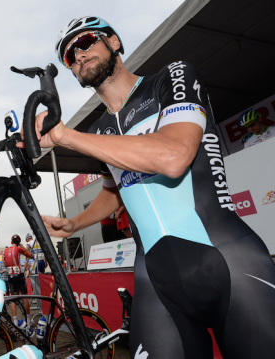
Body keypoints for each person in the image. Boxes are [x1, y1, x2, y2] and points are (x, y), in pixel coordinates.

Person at [32, 16, 275, 358]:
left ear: (113, 41)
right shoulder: (99, 129)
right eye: (69, 55)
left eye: (85, 42)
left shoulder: (171, 77)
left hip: (230, 263)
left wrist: (64, 137)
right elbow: (114, 190)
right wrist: (75, 224)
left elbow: (174, 156)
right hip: (156, 282)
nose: (79, 55)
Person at [3, 234, 33, 326]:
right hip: (19, 275)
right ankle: (28, 320)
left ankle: (15, 321)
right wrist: (23, 247)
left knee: (13, 299)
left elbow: (5, 264)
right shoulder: (18, 248)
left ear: (11, 242)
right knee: (25, 297)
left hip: (11, 275)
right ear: (19, 242)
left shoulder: (5, 250)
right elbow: (31, 256)